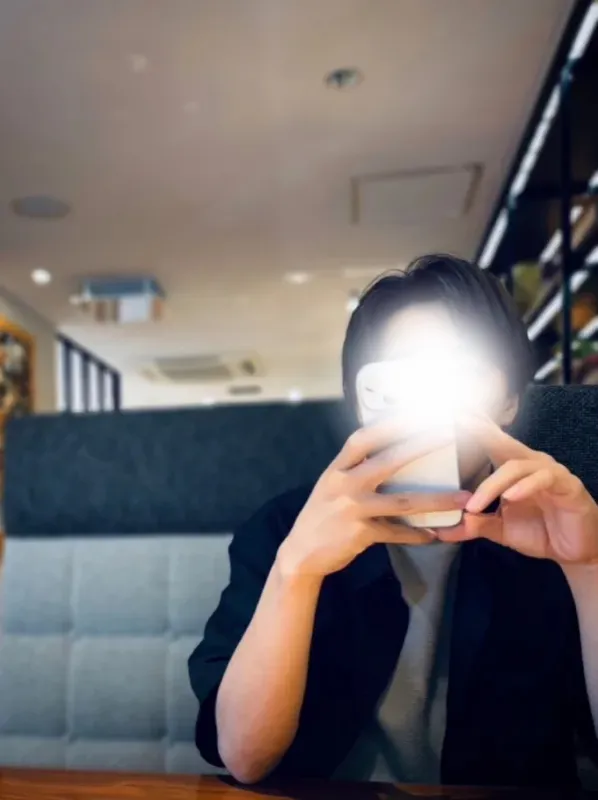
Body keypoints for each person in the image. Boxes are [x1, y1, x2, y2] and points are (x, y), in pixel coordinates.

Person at [188, 254, 598, 788]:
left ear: (509, 401)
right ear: (363, 404)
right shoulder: (287, 527)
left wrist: (588, 567)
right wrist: (297, 571)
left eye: (452, 373)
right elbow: (245, 756)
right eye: (396, 379)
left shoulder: (557, 523)